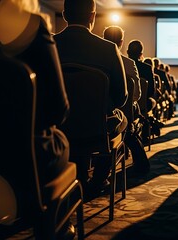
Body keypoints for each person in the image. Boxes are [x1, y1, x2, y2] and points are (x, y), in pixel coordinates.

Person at [0, 0, 75, 238]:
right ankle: (58, 226)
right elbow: (57, 111)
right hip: (19, 161)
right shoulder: (29, 25)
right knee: (61, 141)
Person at [54, 0, 128, 199]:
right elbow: (121, 98)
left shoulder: (50, 45)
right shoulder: (108, 48)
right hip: (95, 129)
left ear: (64, 14)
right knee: (121, 118)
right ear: (92, 17)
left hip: (56, 128)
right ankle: (98, 180)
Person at [103, 26, 150, 175]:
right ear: (121, 42)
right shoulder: (128, 63)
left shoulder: (91, 59)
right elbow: (135, 96)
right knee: (126, 123)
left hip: (86, 115)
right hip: (118, 115)